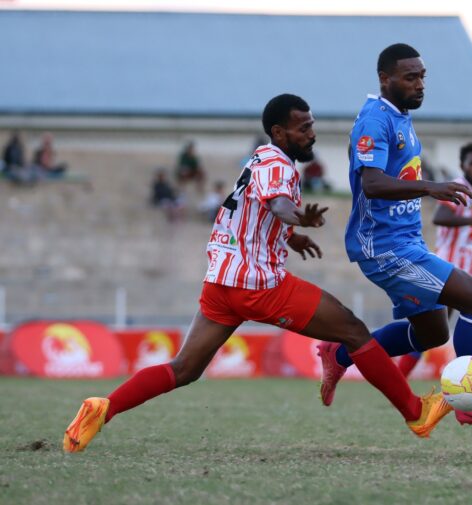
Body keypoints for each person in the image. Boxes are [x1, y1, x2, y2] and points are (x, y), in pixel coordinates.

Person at [63, 94, 452, 453]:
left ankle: (104, 407)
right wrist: (297, 218)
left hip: (221, 281)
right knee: (352, 331)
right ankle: (415, 412)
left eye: (312, 125)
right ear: (279, 133)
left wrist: (291, 236)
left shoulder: (258, 160)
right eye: (303, 128)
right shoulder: (278, 165)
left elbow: (257, 209)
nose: (311, 133)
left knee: (185, 368)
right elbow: (279, 204)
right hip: (258, 285)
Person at [316, 44, 472, 427]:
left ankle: (339, 354)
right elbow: (374, 183)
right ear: (385, 78)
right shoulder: (375, 121)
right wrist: (432, 188)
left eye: (422, 76)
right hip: (383, 247)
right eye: (410, 77)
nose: (420, 84)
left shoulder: (400, 118)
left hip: (406, 242)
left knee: (430, 333)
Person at [398, 141, 472, 376]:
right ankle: (398, 379)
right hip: (451, 266)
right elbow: (440, 217)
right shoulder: (459, 186)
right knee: (431, 331)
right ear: (463, 166)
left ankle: (465, 368)